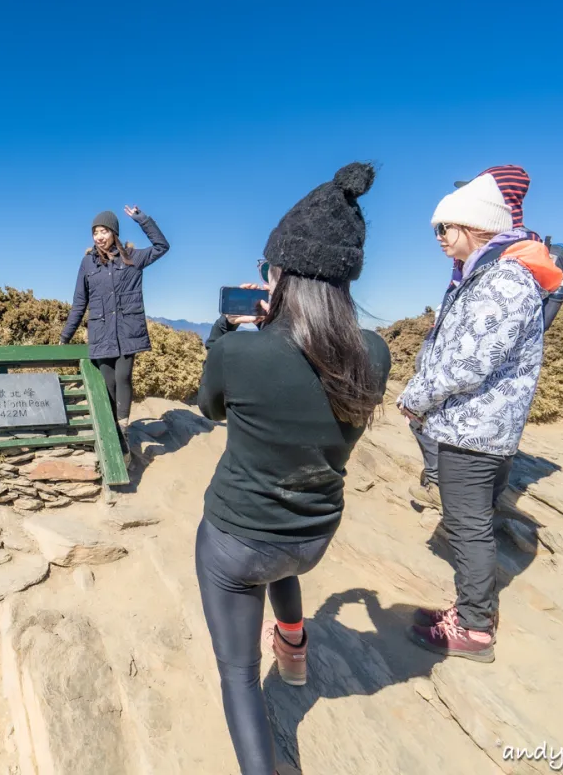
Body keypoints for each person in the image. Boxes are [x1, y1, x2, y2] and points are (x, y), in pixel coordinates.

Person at [194, 163, 392, 775]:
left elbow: (209, 407)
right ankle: (296, 648)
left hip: (235, 542)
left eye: (266, 270)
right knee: (277, 561)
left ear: (280, 276)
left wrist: (223, 335)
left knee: (236, 675)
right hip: (311, 537)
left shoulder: (239, 351)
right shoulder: (375, 355)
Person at [398, 174, 563, 662]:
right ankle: (471, 609)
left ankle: (472, 628)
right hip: (480, 425)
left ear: (475, 225)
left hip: (474, 428)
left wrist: (417, 396)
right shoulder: (494, 273)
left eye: (444, 228)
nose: (440, 239)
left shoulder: (503, 280)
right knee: (472, 522)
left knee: (467, 525)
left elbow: (468, 362)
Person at [407, 165, 563, 510]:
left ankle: (449, 487)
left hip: (484, 374)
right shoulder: (509, 253)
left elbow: (482, 352)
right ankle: (458, 487)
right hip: (477, 370)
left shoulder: (509, 262)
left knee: (453, 416)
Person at [60, 205, 170, 459]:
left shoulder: (132, 257)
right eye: (95, 232)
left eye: (104, 231)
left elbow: (162, 246)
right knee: (107, 383)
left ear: (114, 233)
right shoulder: (87, 263)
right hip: (101, 333)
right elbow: (80, 302)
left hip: (127, 333)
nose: (99, 236)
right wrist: (66, 335)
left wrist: (143, 220)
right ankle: (111, 433)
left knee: (123, 377)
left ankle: (123, 432)